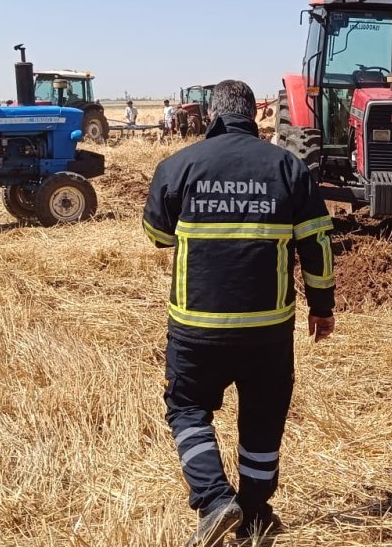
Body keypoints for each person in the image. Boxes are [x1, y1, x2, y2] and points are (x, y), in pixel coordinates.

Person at [143, 80, 335, 547]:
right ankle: (253, 514)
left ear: (212, 114)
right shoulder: (288, 167)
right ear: (253, 116)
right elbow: (318, 245)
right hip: (268, 331)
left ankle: (214, 500)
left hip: (196, 327)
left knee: (187, 409)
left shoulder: (179, 165)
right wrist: (322, 307)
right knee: (263, 420)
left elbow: (158, 235)